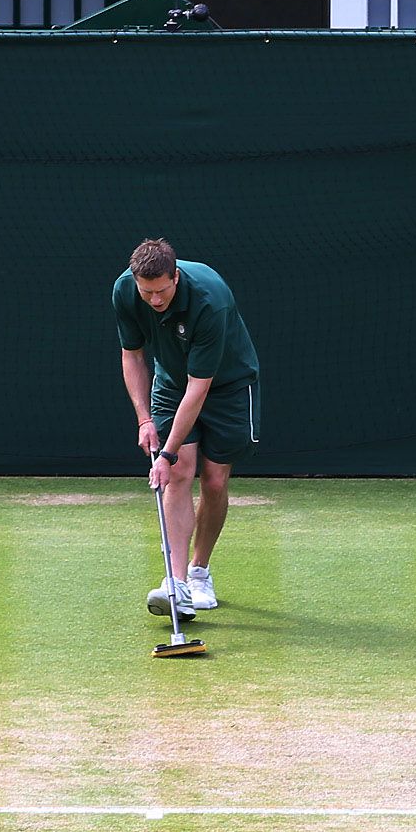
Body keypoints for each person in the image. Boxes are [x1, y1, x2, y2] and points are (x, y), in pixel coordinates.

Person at [112, 238, 261, 617]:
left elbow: (199, 389)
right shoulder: (125, 292)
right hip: (171, 381)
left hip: (225, 385)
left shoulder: (210, 300)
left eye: (161, 291)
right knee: (179, 475)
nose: (155, 300)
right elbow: (132, 355)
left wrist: (166, 452)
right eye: (147, 292)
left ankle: (199, 572)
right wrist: (144, 419)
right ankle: (176, 584)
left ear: (175, 277)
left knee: (213, 480)